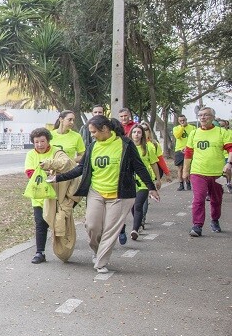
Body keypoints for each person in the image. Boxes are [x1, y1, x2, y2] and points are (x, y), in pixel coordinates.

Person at [53, 116, 159, 273]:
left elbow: (139, 166)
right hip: (96, 192)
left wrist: (151, 187)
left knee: (110, 230)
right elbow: (81, 168)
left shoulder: (125, 144)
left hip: (120, 195)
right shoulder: (92, 146)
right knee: (92, 226)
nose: (92, 135)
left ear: (105, 129)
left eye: (94, 132)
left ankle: (101, 262)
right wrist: (57, 177)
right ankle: (97, 251)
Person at [24, 128, 74, 263]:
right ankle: (40, 252)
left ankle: (64, 250)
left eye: (42, 141)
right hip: (39, 196)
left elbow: (66, 164)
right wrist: (47, 174)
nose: (39, 144)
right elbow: (29, 173)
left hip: (56, 196)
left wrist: (49, 169)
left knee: (59, 223)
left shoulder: (56, 152)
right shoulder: (30, 155)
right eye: (36, 142)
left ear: (48, 141)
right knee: (40, 223)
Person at [182, 106, 232, 236]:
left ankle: (215, 219)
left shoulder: (222, 132)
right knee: (199, 199)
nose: (203, 117)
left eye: (206, 115)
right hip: (198, 171)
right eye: (200, 115)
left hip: (218, 174)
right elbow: (188, 154)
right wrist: (185, 171)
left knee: (216, 199)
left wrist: (229, 164)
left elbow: (230, 149)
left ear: (213, 117)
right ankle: (197, 225)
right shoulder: (194, 133)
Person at [125, 124, 160, 240]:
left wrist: (157, 179)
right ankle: (138, 222)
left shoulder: (148, 147)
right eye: (134, 132)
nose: (136, 134)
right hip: (130, 181)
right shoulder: (126, 147)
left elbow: (154, 163)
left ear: (143, 135)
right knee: (132, 206)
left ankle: (135, 229)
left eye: (139, 132)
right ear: (131, 134)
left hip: (144, 181)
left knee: (138, 204)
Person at [173, 114, 196, 191]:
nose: (183, 122)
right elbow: (177, 136)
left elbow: (195, 139)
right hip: (179, 150)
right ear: (179, 121)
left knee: (188, 168)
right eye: (181, 121)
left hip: (189, 149)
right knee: (180, 168)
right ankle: (181, 184)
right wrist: (182, 127)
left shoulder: (192, 128)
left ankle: (188, 182)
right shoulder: (176, 128)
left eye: (184, 120)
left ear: (186, 120)